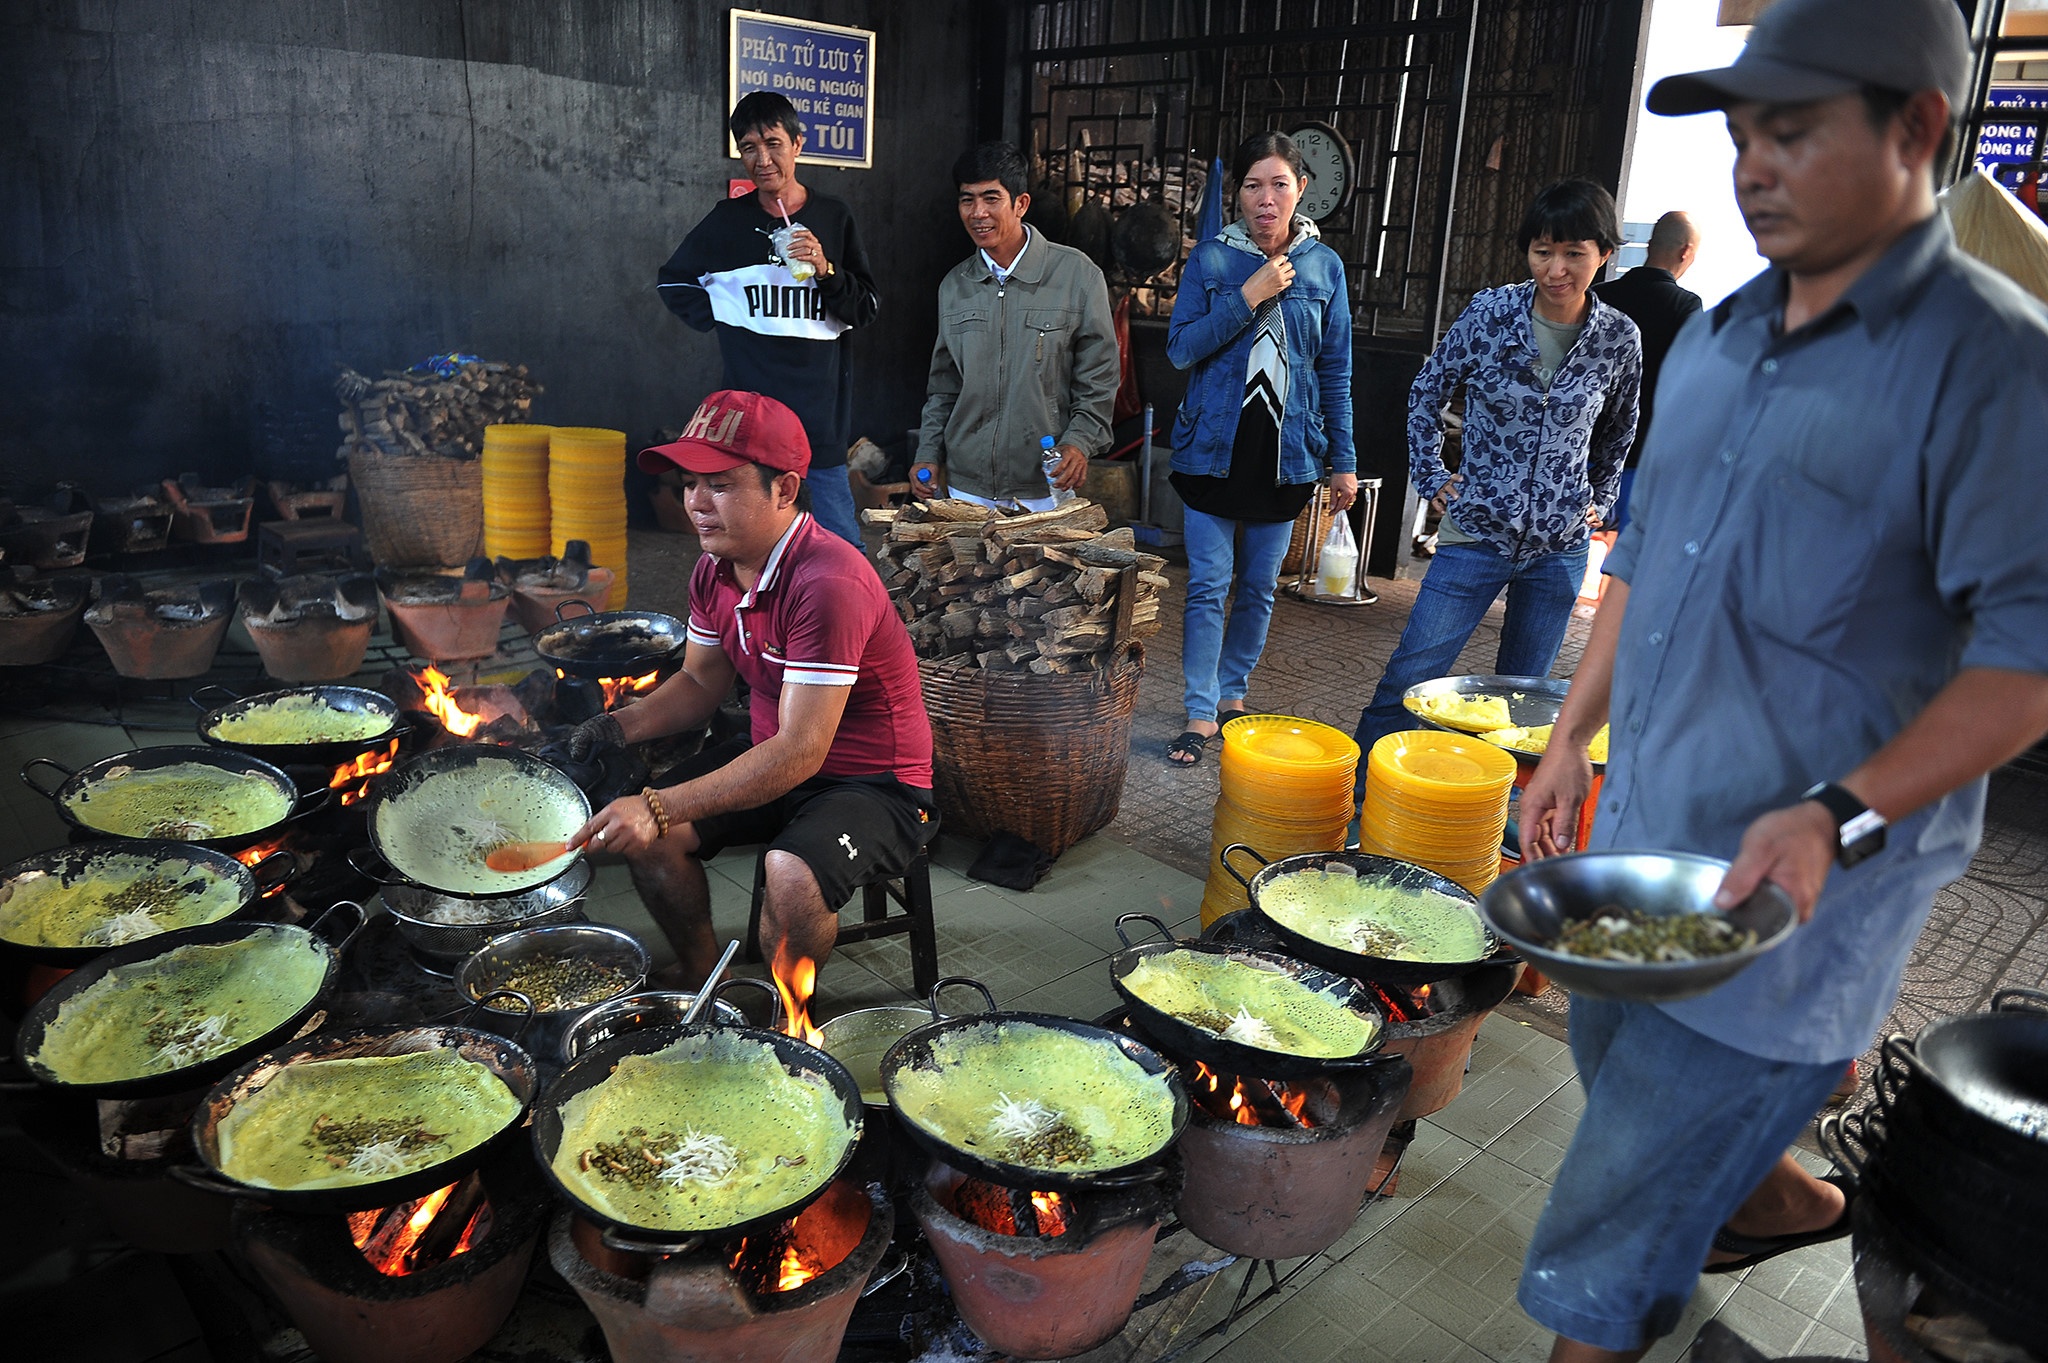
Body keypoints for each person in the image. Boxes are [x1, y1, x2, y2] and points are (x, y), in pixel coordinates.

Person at [1513, 2, 2048, 1359]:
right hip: (1640, 864)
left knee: (1597, 1251)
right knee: (1635, 1133)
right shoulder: (1714, 338)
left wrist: (1835, 814)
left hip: (1791, 924)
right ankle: (1787, 1201)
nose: (1752, 167)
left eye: (1793, 133)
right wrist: (1569, 734)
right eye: (1744, 135)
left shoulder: (1991, 365)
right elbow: (1641, 557)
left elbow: (2027, 663)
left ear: (1915, 128)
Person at [563, 390, 936, 988]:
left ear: (783, 490)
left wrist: (658, 806)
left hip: (873, 783)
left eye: (720, 485)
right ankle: (702, 977)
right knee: (652, 840)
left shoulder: (828, 581)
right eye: (689, 484)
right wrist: (615, 727)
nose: (695, 503)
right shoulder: (714, 568)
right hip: (771, 754)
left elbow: (800, 751)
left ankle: (792, 1021)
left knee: (789, 871)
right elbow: (699, 681)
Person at [1351, 179, 1641, 753]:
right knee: (1409, 679)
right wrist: (1431, 475)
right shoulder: (1491, 313)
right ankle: (1358, 791)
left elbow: (1620, 427)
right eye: (1542, 251)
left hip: (1558, 549)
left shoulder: (1617, 338)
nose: (1555, 269)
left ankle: (1493, 804)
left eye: (1574, 253)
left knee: (1520, 704)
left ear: (1605, 253)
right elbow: (1426, 392)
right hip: (1475, 534)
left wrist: (1600, 498)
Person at [1161, 131, 1359, 767]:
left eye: (1279, 184)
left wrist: (1345, 460)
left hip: (1287, 452)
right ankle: (1199, 709)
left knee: (1259, 586)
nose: (1265, 199)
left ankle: (1233, 694)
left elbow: (1335, 369)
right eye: (1252, 186)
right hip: (1212, 448)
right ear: (1238, 194)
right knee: (1207, 584)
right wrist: (1249, 296)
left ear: (1302, 189)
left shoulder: (1324, 268)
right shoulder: (1212, 260)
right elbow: (1181, 349)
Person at [657, 92, 878, 547]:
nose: (762, 160)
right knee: (749, 547)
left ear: (798, 144)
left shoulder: (834, 216)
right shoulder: (727, 221)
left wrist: (826, 269)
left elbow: (866, 308)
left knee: (840, 550)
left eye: (774, 144)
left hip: (819, 426)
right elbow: (673, 282)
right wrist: (726, 312)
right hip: (749, 427)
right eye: (749, 148)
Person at [914, 141, 1119, 510]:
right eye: (967, 200)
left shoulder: (1077, 276)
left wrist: (1079, 441)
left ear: (1020, 204)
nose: (978, 213)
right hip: (966, 486)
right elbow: (944, 387)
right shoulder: (955, 286)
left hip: (1046, 486)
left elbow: (1099, 379)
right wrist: (928, 452)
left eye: (991, 198)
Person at [1592, 211, 1702, 531]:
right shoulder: (1685, 306)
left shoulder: (1599, 296)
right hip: (1640, 458)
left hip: (1583, 451)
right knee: (1624, 549)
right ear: (1686, 252)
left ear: (1650, 244)